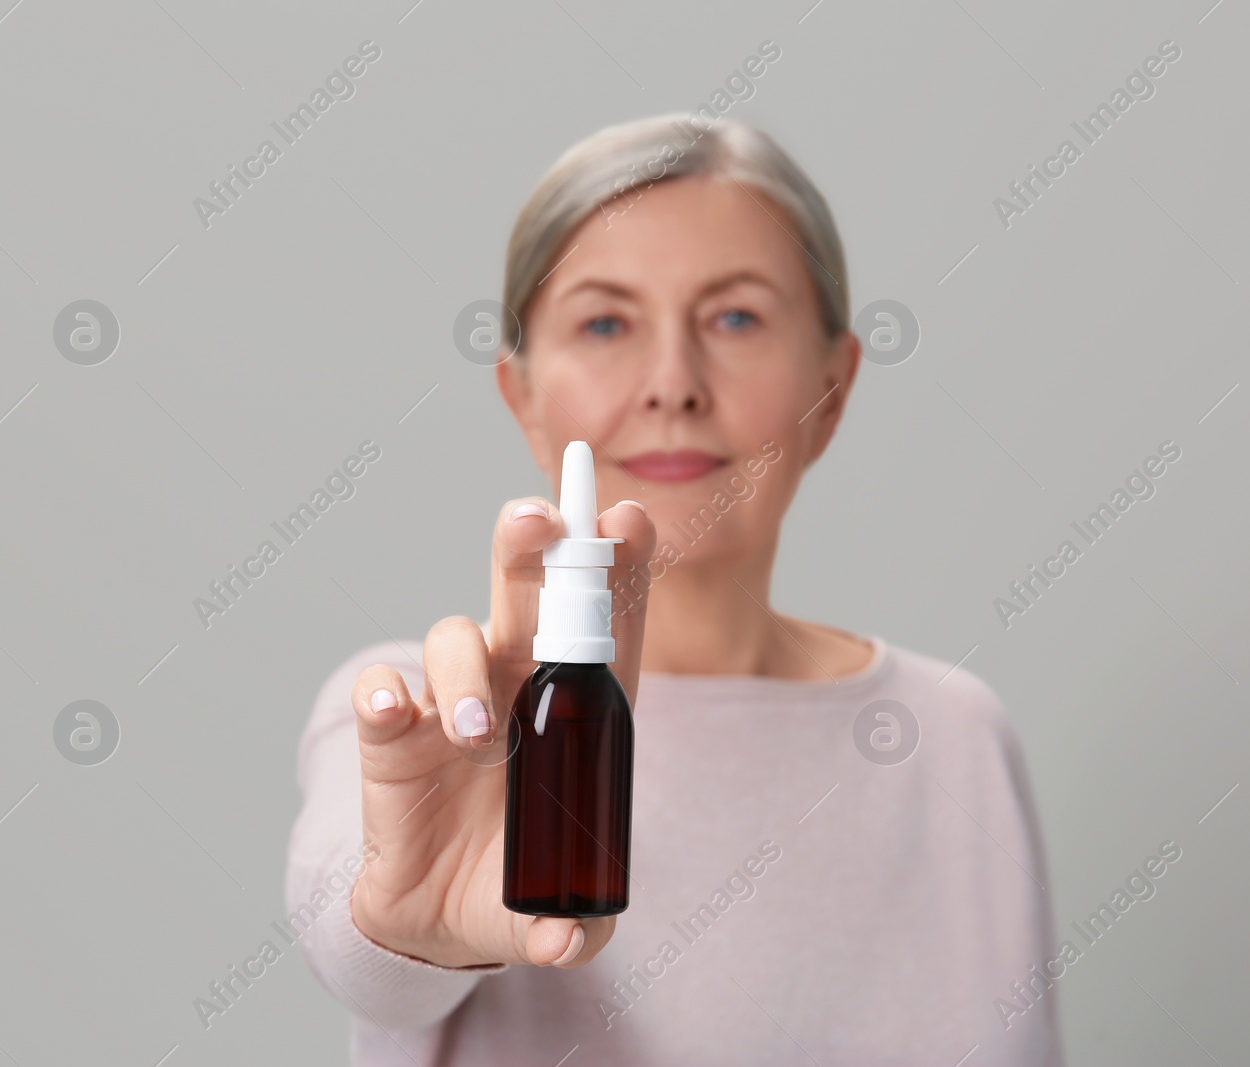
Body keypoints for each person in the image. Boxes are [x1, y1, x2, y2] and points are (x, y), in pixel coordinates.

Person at [288, 112, 1064, 1065]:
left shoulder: (953, 736)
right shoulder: (424, 720)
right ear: (521, 397)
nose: (671, 383)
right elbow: (361, 948)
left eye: (735, 317)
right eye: (605, 322)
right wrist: (411, 925)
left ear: (834, 385)